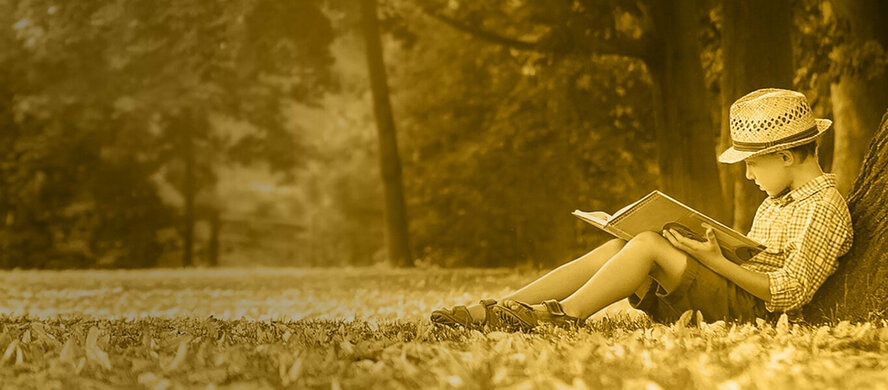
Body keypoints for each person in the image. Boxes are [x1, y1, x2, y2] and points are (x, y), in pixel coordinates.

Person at [430, 88, 853, 330]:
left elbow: (788, 293)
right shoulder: (776, 203)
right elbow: (755, 259)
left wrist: (713, 261)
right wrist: (711, 250)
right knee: (623, 245)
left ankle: (565, 316)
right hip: (733, 292)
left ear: (784, 156)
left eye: (752, 164)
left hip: (755, 311)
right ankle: (501, 308)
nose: (747, 176)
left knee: (649, 244)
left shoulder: (826, 207)